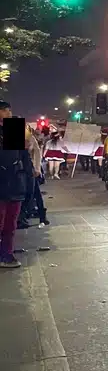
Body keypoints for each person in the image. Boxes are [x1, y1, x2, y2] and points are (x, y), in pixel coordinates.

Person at [0, 102, 35, 269]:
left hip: (14, 183)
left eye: (9, 110)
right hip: (2, 182)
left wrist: (30, 173)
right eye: (4, 110)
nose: (8, 113)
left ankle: (7, 254)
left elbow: (23, 155)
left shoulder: (13, 129)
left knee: (10, 222)